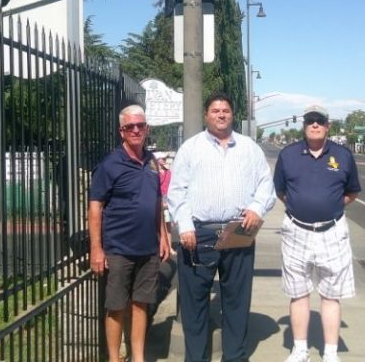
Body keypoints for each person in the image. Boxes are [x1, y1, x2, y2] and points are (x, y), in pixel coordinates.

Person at [167, 91, 276, 362]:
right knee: (194, 303)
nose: (221, 114)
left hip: (238, 230)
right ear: (206, 115)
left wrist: (256, 208)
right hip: (198, 234)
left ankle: (235, 357)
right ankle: (196, 358)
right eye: (215, 110)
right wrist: (185, 226)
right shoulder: (191, 148)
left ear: (232, 114)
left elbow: (266, 184)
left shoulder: (249, 148)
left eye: (225, 110)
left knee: (237, 301)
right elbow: (176, 191)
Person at [273, 105, 362, 362]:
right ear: (304, 125)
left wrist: (331, 206)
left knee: (331, 295)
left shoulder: (343, 155)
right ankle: (300, 349)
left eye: (319, 120)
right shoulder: (288, 155)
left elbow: (352, 192)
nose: (315, 124)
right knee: (298, 292)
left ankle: (330, 353)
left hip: (332, 232)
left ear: (327, 125)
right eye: (310, 120)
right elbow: (281, 191)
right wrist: (302, 206)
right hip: (295, 232)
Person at [88, 104, 171, 362]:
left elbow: (156, 201)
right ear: (121, 131)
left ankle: (138, 357)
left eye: (140, 126)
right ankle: (114, 358)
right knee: (116, 307)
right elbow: (95, 207)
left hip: (148, 248)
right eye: (129, 127)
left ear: (146, 129)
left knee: (141, 305)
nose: (136, 130)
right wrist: (96, 248)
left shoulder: (151, 162)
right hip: (118, 249)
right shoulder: (110, 164)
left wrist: (164, 236)